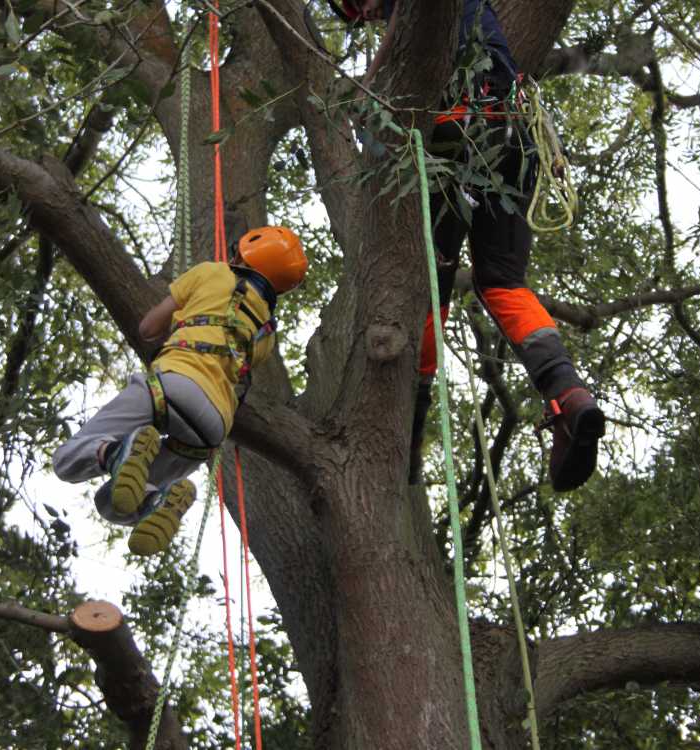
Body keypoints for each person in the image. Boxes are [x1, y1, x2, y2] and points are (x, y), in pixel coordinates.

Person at [329, 0, 605, 490]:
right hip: (514, 133)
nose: (365, 15)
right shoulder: (477, 15)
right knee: (502, 282)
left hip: (456, 129)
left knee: (427, 283)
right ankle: (569, 396)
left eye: (358, 6)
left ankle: (411, 418)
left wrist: (367, 87)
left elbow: (398, 32)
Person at [53, 227, 308, 555]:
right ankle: (156, 501)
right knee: (112, 503)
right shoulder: (267, 334)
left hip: (173, 385)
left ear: (241, 256)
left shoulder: (211, 272)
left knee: (67, 462)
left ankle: (116, 453)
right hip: (211, 427)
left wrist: (181, 323)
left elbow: (147, 328)